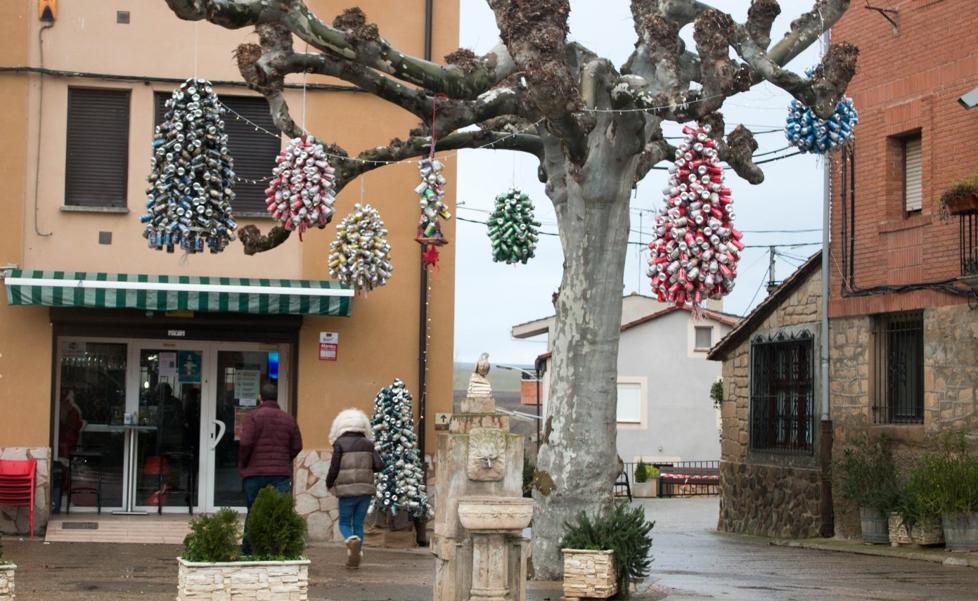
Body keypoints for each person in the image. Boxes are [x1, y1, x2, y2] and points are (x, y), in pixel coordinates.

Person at [238, 382, 303, 555]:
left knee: (253, 512)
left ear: (261, 397)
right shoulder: (288, 419)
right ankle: (277, 550)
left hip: (255, 474)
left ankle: (248, 551)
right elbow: (297, 445)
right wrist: (285, 459)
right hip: (280, 474)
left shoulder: (253, 417)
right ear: (276, 398)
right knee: (278, 513)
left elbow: (245, 443)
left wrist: (244, 463)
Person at [326, 408, 384, 569]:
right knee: (358, 523)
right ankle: (356, 555)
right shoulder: (368, 444)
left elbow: (334, 468)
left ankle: (351, 541)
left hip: (346, 492)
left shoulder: (339, 444)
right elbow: (379, 465)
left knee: (344, 522)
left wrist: (329, 483)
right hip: (365, 491)